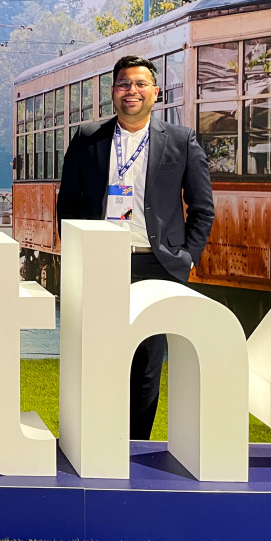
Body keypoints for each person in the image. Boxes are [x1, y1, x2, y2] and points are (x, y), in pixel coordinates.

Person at [56, 54, 214, 440]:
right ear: (113, 92)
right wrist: (78, 255)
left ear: (155, 92)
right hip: (101, 264)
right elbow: (69, 205)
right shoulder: (88, 138)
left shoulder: (181, 140)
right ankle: (96, 439)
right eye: (124, 84)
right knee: (97, 355)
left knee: (147, 362)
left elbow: (202, 207)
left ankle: (135, 446)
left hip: (156, 265)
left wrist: (188, 257)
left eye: (141, 84)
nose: (132, 91)